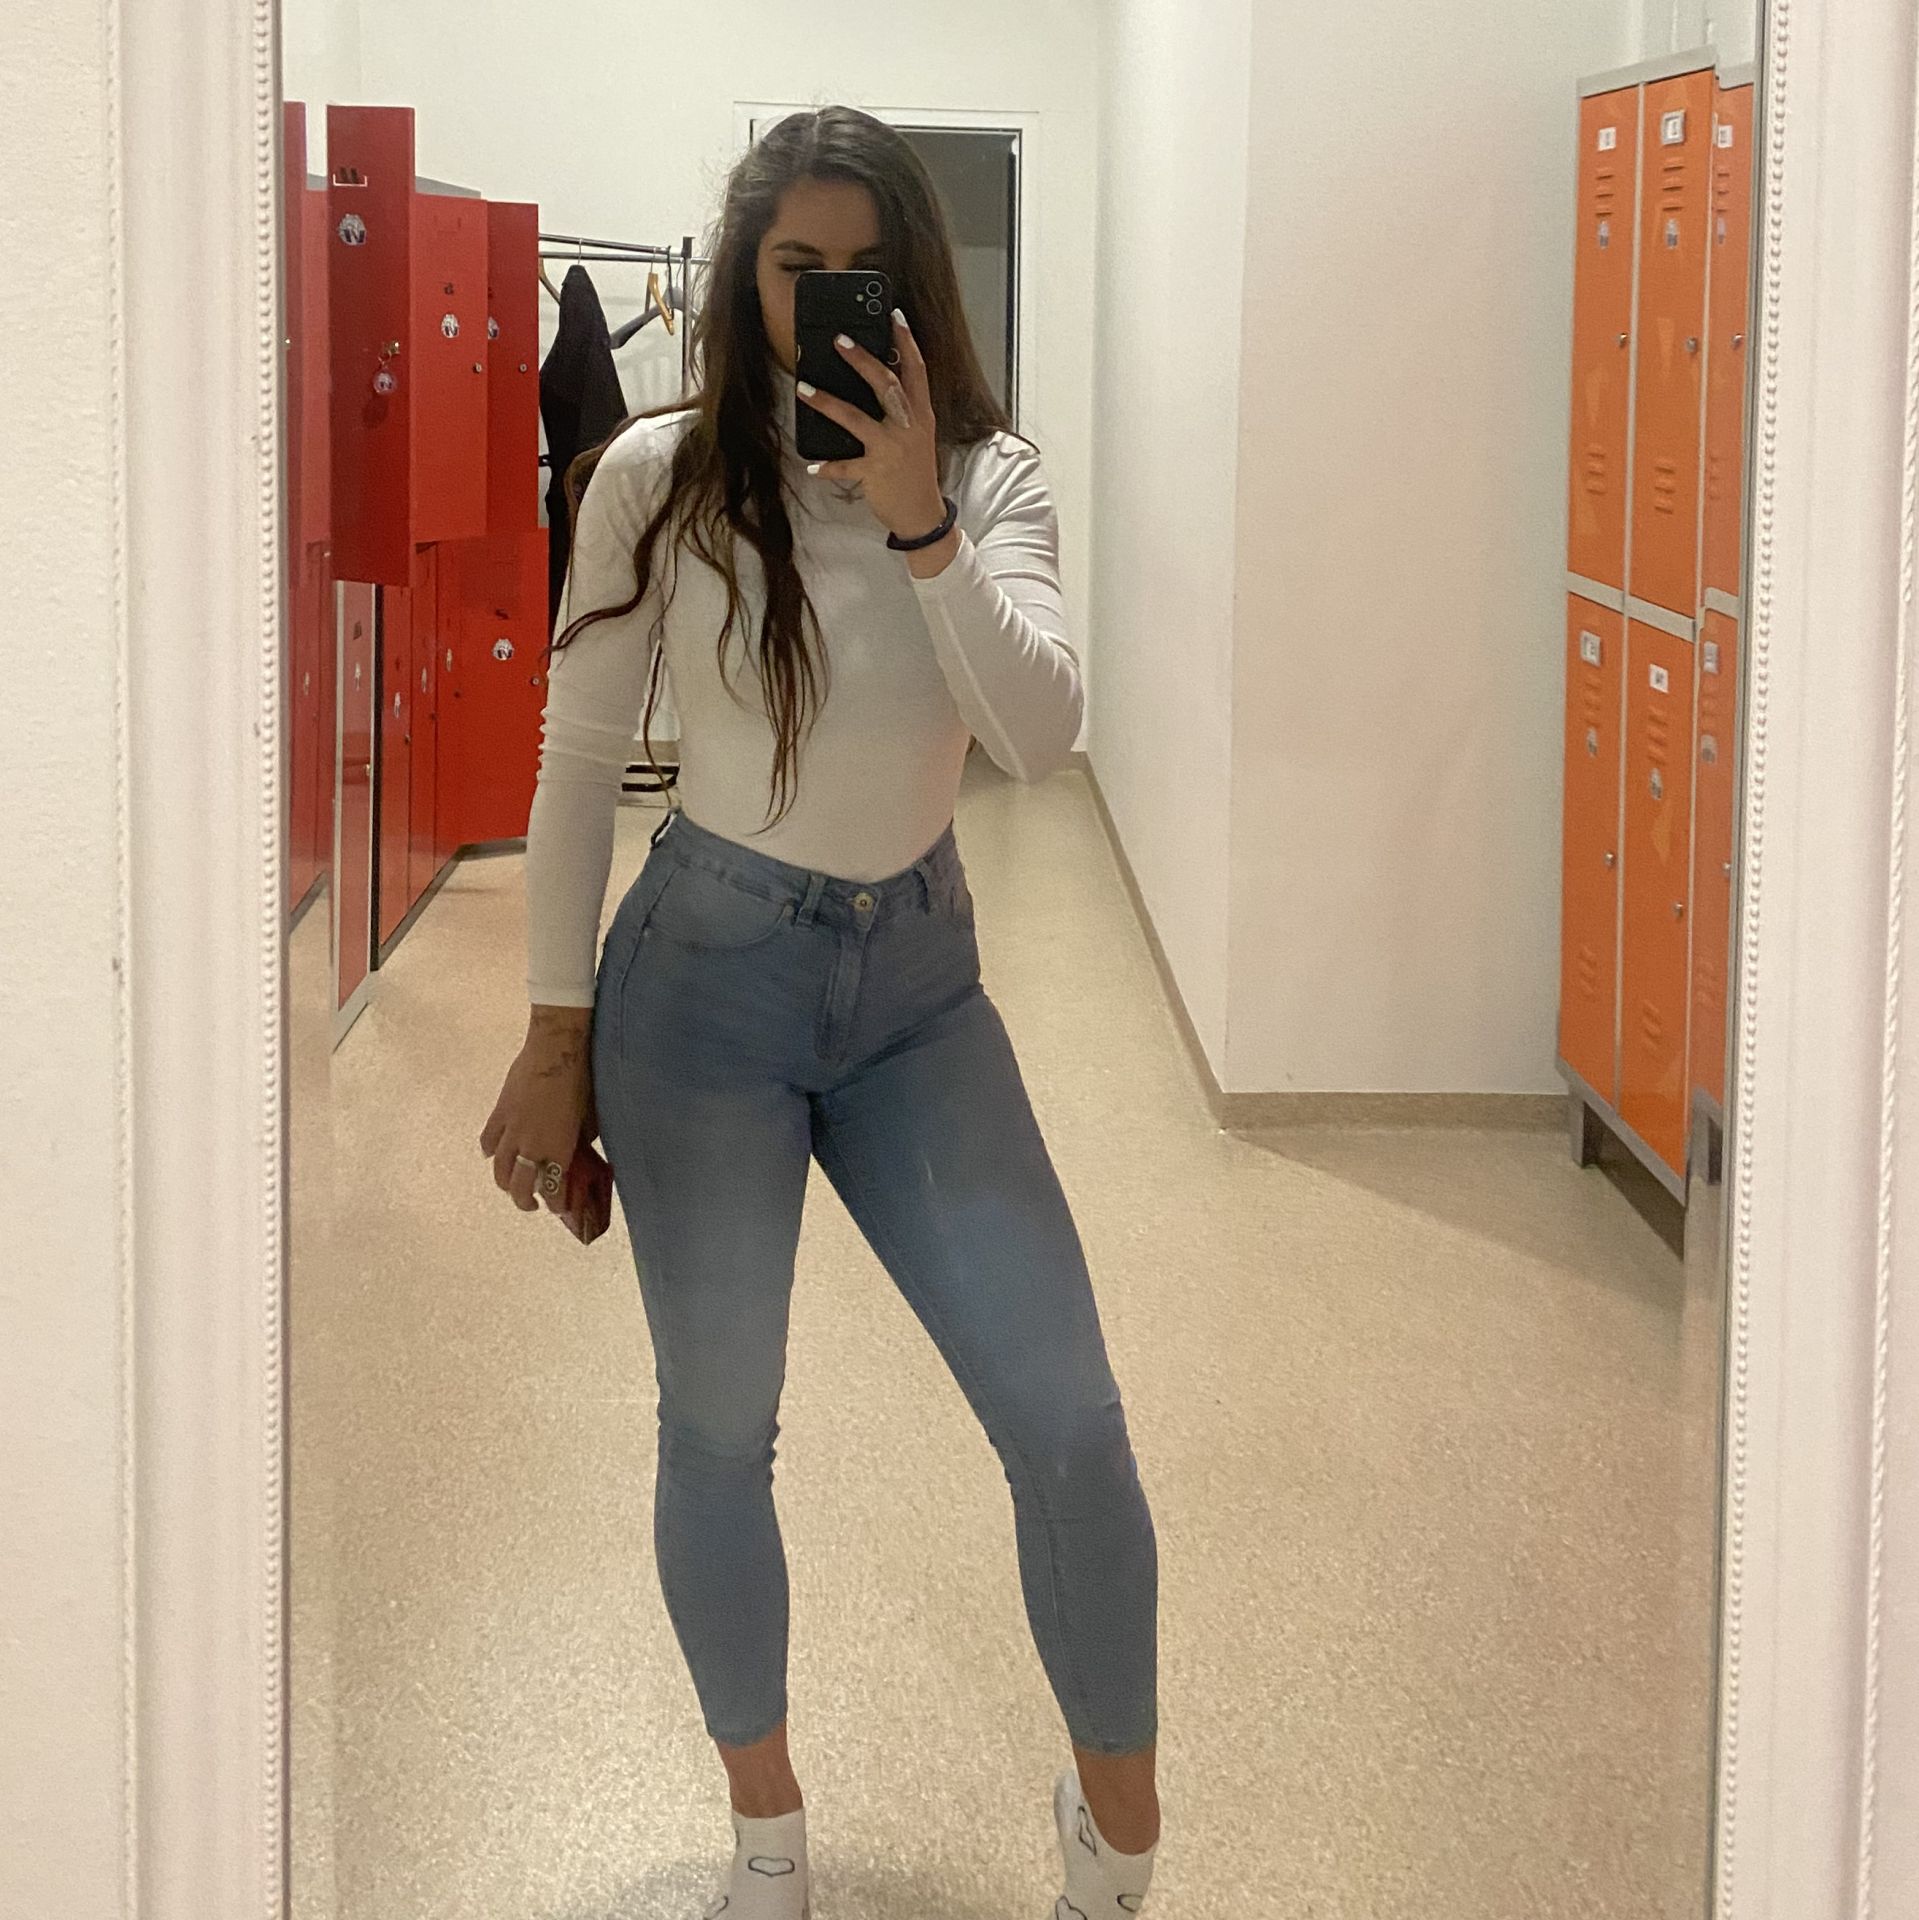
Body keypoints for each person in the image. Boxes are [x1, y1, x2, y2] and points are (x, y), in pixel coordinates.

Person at [480, 106, 1160, 1920]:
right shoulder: (655, 476)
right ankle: (766, 1839)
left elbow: (1040, 737)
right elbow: (573, 764)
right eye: (797, 269)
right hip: (702, 985)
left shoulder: (993, 480)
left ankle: (1118, 1852)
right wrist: (554, 1035)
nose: (830, 301)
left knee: (1069, 1420)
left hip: (921, 992)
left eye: (866, 269)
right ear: (747, 281)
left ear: (917, 280)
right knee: (720, 1425)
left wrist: (923, 518)